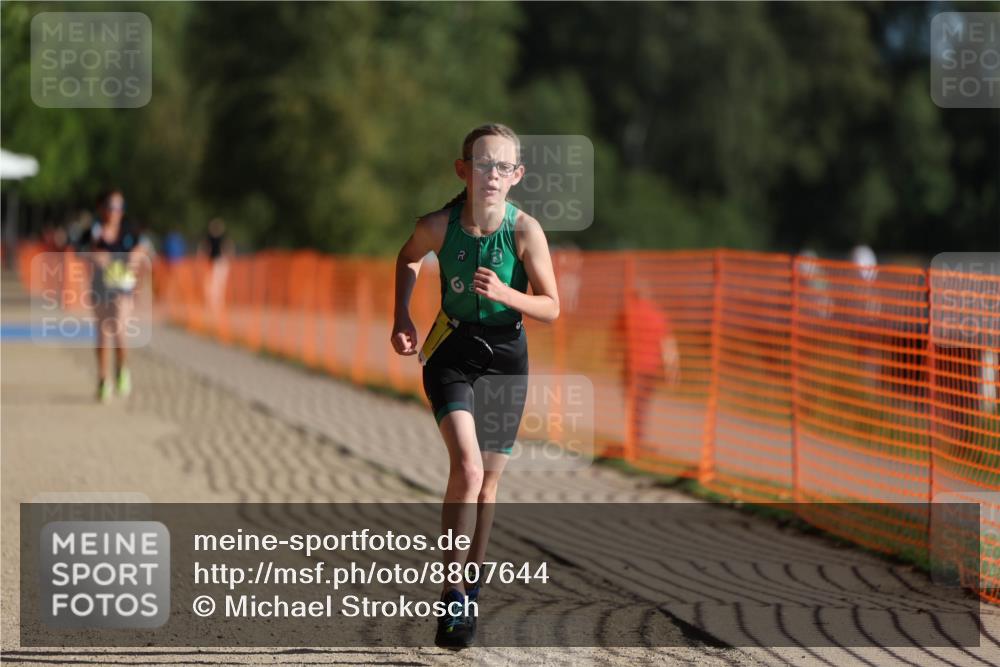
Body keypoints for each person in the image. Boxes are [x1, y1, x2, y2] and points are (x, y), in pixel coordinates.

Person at [391, 124, 560, 648]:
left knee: (488, 483)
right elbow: (408, 257)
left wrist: (509, 294)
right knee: (466, 468)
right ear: (463, 170)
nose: (492, 175)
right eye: (483, 164)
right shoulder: (438, 227)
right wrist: (402, 315)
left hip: (506, 357)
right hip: (452, 352)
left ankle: (470, 587)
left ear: (517, 175)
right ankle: (452, 593)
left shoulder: (525, 231)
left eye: (503, 166)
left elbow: (552, 307)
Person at [74, 189, 152, 403]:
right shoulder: (93, 231)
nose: (115, 211)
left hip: (123, 284)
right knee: (102, 333)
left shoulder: (130, 229)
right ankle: (103, 379)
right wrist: (93, 255)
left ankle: (122, 368)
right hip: (100, 285)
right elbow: (77, 250)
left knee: (118, 328)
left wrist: (137, 254)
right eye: (111, 206)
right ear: (101, 208)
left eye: (120, 207)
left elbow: (145, 247)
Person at [612, 283, 679, 453]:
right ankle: (637, 440)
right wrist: (672, 371)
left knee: (630, 404)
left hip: (631, 367)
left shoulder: (627, 313)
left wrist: (613, 355)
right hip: (649, 369)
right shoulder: (657, 315)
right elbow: (668, 346)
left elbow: (617, 338)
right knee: (642, 406)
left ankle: (631, 441)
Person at [199, 218, 234, 315]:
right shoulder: (209, 238)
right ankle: (212, 303)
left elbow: (228, 247)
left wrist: (227, 256)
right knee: (211, 284)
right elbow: (204, 248)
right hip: (212, 263)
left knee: (218, 283)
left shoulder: (223, 238)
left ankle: (217, 304)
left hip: (220, 262)